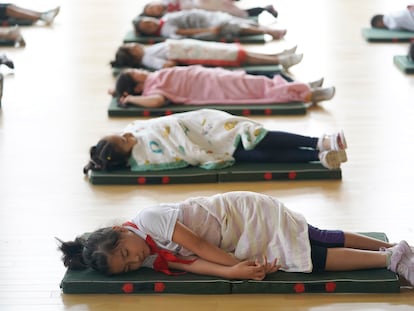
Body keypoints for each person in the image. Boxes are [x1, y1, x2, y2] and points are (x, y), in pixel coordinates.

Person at [57, 191, 414, 285]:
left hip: (242, 216)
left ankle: (390, 258)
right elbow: (192, 264)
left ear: (121, 231)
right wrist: (232, 273)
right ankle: (391, 248)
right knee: (314, 236)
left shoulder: (148, 220)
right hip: (236, 235)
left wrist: (240, 265)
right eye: (127, 268)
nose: (135, 262)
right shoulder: (146, 253)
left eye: (126, 253)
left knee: (306, 256)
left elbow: (199, 247)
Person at [82, 108, 347, 174]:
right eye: (125, 140)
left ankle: (319, 141)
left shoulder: (135, 129)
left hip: (206, 126)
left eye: (124, 134)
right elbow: (173, 152)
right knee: (257, 154)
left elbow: (170, 123)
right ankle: (318, 157)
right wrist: (199, 154)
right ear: (126, 153)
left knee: (259, 137)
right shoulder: (143, 158)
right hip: (206, 146)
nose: (129, 135)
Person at [110, 65, 335, 107]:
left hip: (212, 77)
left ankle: (301, 86)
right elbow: (156, 102)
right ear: (138, 88)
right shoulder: (150, 90)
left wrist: (117, 91)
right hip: (212, 89)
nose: (141, 71)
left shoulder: (151, 79)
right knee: (258, 89)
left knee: (257, 81)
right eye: (136, 73)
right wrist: (129, 99)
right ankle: (307, 94)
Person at [110, 39, 303, 71]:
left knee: (238, 51)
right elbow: (166, 66)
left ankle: (278, 55)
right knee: (239, 56)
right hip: (196, 55)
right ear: (132, 54)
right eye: (132, 46)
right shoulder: (147, 58)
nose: (136, 45)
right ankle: (279, 61)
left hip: (196, 47)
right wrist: (176, 56)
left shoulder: (146, 52)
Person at [132, 9, 286, 40]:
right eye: (146, 27)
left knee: (238, 21)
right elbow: (186, 32)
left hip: (206, 16)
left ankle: (268, 29)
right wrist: (209, 29)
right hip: (206, 26)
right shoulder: (166, 30)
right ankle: (269, 32)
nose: (150, 24)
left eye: (147, 21)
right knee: (234, 26)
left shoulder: (164, 18)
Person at [141, 0, 278, 19]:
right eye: (153, 12)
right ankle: (266, 9)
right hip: (207, 10)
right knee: (240, 14)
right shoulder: (168, 16)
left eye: (152, 8)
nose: (156, 9)